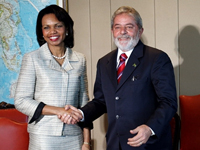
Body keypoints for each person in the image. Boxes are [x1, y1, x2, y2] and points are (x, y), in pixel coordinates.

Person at [62, 6, 178, 150]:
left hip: (147, 144)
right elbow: (101, 101)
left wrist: (150, 128)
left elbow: (169, 102)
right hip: (115, 144)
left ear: (140, 30)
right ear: (112, 31)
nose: (123, 32)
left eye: (129, 27)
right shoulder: (104, 62)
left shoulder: (156, 59)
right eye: (118, 27)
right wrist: (80, 113)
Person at [14, 4, 91, 150]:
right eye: (46, 27)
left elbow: (84, 105)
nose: (52, 31)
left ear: (67, 29)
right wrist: (58, 110)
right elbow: (21, 101)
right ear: (41, 32)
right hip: (43, 137)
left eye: (58, 26)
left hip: (75, 136)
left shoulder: (80, 59)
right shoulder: (32, 58)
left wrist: (86, 142)